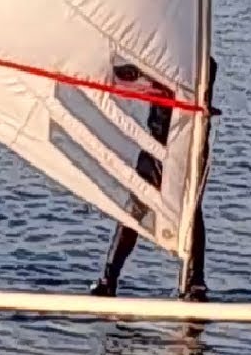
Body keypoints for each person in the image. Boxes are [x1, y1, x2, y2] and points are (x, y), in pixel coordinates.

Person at [90, 56, 219, 302]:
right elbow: (129, 72)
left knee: (191, 212)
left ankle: (195, 282)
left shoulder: (201, 61)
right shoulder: (160, 61)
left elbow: (209, 69)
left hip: (189, 149)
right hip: (156, 144)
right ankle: (109, 278)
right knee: (134, 208)